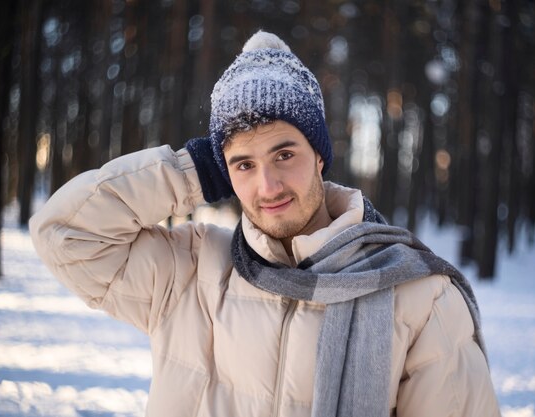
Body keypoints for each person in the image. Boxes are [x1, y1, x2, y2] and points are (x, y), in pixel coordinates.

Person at [30, 31, 501, 417]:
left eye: (284, 154)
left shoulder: (419, 296)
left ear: (320, 155)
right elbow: (65, 234)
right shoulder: (191, 271)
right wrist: (196, 169)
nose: (268, 186)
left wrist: (238, 160)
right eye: (243, 165)